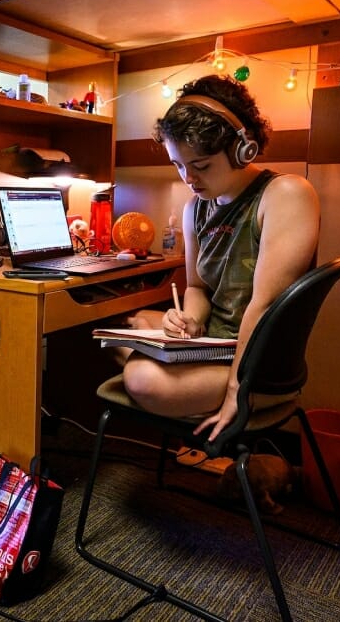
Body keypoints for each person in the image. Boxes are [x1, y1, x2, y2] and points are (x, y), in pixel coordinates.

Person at [119, 75, 320, 443]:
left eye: (202, 165)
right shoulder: (195, 208)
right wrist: (190, 320)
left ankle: (194, 396)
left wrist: (234, 393)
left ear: (242, 150)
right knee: (130, 327)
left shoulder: (286, 194)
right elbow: (197, 286)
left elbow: (265, 303)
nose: (189, 178)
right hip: (212, 346)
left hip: (257, 365)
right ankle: (181, 387)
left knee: (139, 377)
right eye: (179, 165)